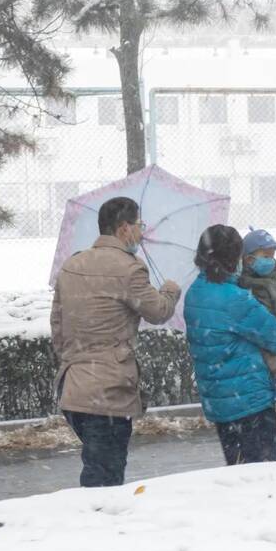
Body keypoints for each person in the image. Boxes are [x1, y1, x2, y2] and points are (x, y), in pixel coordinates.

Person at [50, 196, 180, 487]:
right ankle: (97, 526)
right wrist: (170, 290)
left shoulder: (72, 265)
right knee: (105, 477)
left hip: (73, 387)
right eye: (139, 225)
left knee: (98, 464)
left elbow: (57, 326)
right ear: (123, 228)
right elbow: (159, 311)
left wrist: (74, 361)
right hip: (108, 391)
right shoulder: (129, 268)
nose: (141, 231)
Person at [184, 224, 276, 465]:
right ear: (234, 258)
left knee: (237, 470)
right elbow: (275, 336)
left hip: (219, 401)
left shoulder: (194, 293)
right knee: (262, 474)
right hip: (250, 400)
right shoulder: (235, 298)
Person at [239, 227, 276, 421]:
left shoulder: (272, 280)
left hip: (267, 325)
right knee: (263, 361)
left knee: (267, 354)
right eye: (265, 255)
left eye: (272, 256)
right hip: (256, 325)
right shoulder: (242, 281)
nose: (270, 260)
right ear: (248, 259)